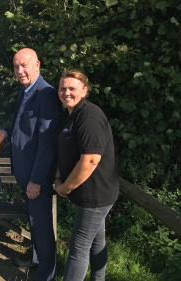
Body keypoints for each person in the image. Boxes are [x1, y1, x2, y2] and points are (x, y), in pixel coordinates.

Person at [0, 48, 62, 281]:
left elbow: (46, 144)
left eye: (24, 65)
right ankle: (35, 260)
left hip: (36, 178)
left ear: (37, 65)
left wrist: (36, 180)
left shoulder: (47, 94)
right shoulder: (26, 90)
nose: (20, 71)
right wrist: (4, 132)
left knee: (41, 227)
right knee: (34, 222)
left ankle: (45, 275)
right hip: (26, 174)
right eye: (16, 67)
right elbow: (24, 129)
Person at [54, 70, 119, 281]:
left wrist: (65, 187)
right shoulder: (69, 115)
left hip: (95, 195)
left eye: (72, 88)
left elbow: (90, 160)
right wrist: (58, 177)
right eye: (63, 88)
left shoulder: (89, 117)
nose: (66, 92)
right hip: (88, 193)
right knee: (96, 242)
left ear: (84, 90)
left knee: (78, 247)